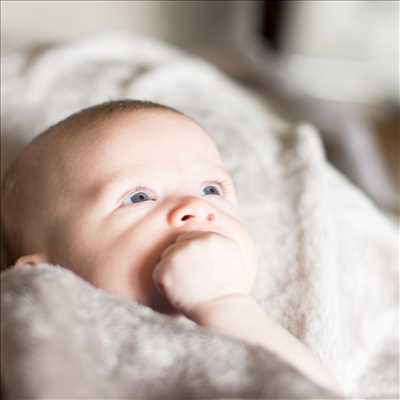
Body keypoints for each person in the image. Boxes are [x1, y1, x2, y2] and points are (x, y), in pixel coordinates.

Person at [1, 100, 343, 396]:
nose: (194, 208)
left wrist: (225, 304)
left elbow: (312, 392)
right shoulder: (43, 318)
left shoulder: (243, 328)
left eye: (211, 189)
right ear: (42, 274)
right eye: (139, 197)